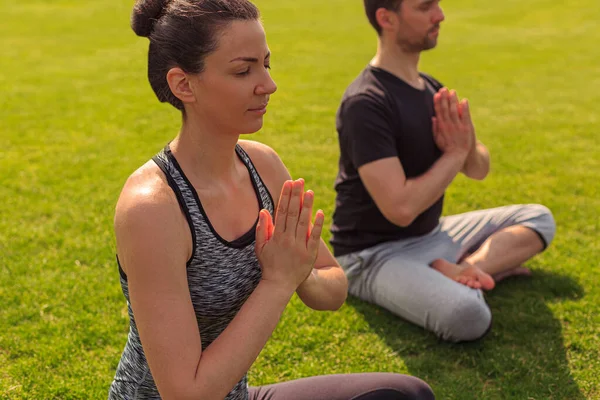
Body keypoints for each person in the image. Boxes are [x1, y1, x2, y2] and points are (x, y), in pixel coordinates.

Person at [108, 1, 435, 399]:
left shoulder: (261, 164)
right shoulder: (153, 208)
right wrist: (278, 281)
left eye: (266, 64)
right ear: (183, 85)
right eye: (243, 70)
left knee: (405, 394)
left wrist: (301, 273)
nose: (268, 84)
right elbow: (186, 394)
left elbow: (334, 286)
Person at [331, 0, 556, 343]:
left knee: (539, 219)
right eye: (425, 8)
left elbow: (479, 169)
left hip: (433, 235)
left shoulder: (433, 90)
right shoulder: (366, 103)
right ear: (386, 18)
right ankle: (468, 274)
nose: (440, 15)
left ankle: (468, 269)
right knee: (468, 315)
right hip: (374, 254)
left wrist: (465, 146)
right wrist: (454, 154)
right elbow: (400, 209)